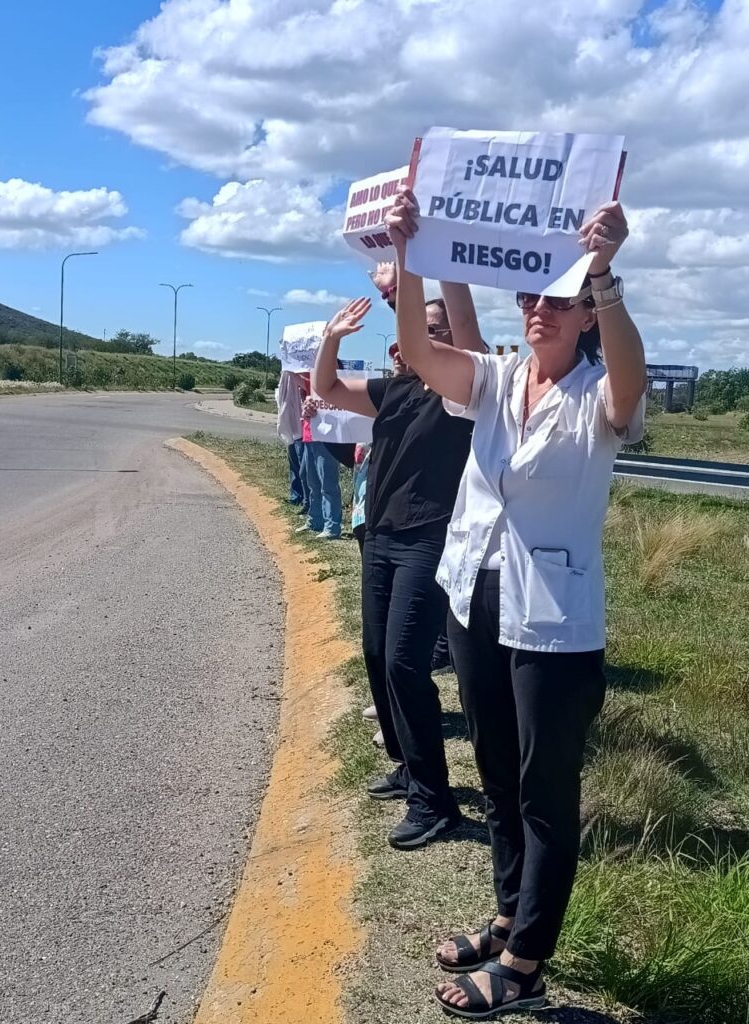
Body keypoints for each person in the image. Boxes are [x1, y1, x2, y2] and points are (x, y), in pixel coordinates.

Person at [386, 187, 646, 1015]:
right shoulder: (496, 380)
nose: (538, 310)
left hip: (555, 621)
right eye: (531, 297)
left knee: (544, 790)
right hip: (476, 597)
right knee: (497, 774)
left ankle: (528, 960)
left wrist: (602, 271)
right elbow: (424, 359)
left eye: (557, 301)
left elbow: (631, 382)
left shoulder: (600, 398)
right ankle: (508, 913)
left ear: (582, 315)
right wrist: (414, 257)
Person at [313, 280, 487, 850]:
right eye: (420, 331)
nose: (425, 340)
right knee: (375, 656)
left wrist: (429, 269)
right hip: (382, 538)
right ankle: (411, 767)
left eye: (438, 333)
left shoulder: (459, 395)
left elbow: (465, 336)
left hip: (427, 541)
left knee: (404, 666)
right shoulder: (392, 392)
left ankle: (435, 804)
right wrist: (331, 339)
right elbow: (326, 387)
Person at [296, 380, 343, 540]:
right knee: (311, 481)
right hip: (309, 435)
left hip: (325, 436)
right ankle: (315, 520)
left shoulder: (328, 376)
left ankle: (332, 527)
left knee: (328, 483)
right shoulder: (307, 376)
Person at [277, 370, 308, 511]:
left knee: (304, 465)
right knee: (294, 460)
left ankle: (308, 499)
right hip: (291, 420)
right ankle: (296, 495)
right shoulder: (287, 370)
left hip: (303, 422)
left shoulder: (306, 370)